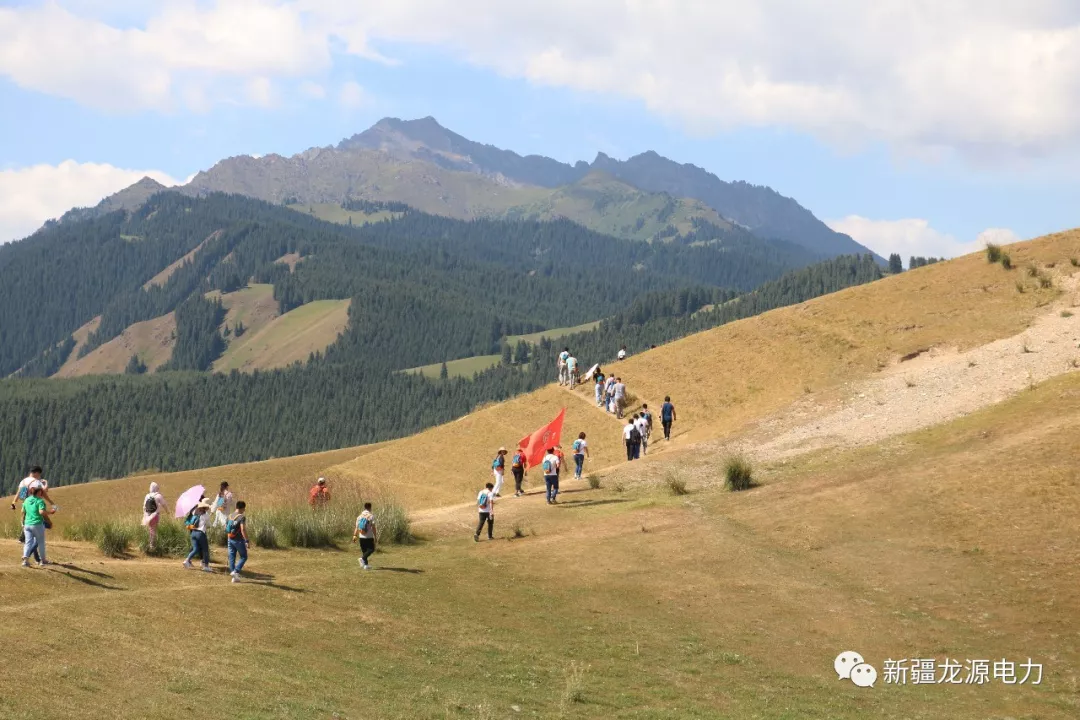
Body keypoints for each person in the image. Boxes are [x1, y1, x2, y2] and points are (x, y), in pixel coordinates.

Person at [20, 485, 54, 568]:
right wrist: (50, 512)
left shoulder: (26, 500)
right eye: (42, 492)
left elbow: (23, 512)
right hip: (37, 524)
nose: (42, 494)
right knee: (41, 542)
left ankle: (25, 560)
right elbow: (41, 512)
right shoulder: (40, 501)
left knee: (28, 542)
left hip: (27, 524)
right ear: (39, 492)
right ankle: (43, 561)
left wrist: (22, 523)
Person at [183, 501, 213, 572]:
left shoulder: (195, 514)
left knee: (195, 549)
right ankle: (206, 566)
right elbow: (209, 525)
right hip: (201, 533)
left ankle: (187, 560)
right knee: (205, 550)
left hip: (193, 533)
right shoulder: (206, 515)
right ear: (205, 508)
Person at [226, 501, 250, 583]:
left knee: (232, 556)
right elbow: (243, 529)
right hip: (238, 540)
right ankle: (236, 571)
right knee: (244, 557)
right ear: (242, 508)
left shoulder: (230, 516)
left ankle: (234, 577)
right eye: (244, 508)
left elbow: (226, 527)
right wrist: (247, 540)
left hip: (230, 538)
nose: (244, 510)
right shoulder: (241, 517)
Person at [142, 482, 167, 551]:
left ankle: (148, 544)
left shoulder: (147, 496)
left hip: (147, 515)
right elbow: (164, 504)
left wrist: (145, 515)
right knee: (153, 530)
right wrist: (167, 512)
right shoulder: (158, 495)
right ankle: (152, 546)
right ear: (156, 488)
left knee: (150, 530)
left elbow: (144, 507)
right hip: (155, 515)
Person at [353, 502, 378, 569]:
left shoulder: (359, 516)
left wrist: (354, 535)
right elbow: (373, 527)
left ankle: (365, 565)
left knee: (364, 551)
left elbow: (356, 527)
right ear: (370, 508)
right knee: (371, 549)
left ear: (364, 507)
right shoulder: (371, 516)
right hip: (369, 536)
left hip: (361, 536)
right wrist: (375, 536)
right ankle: (362, 558)